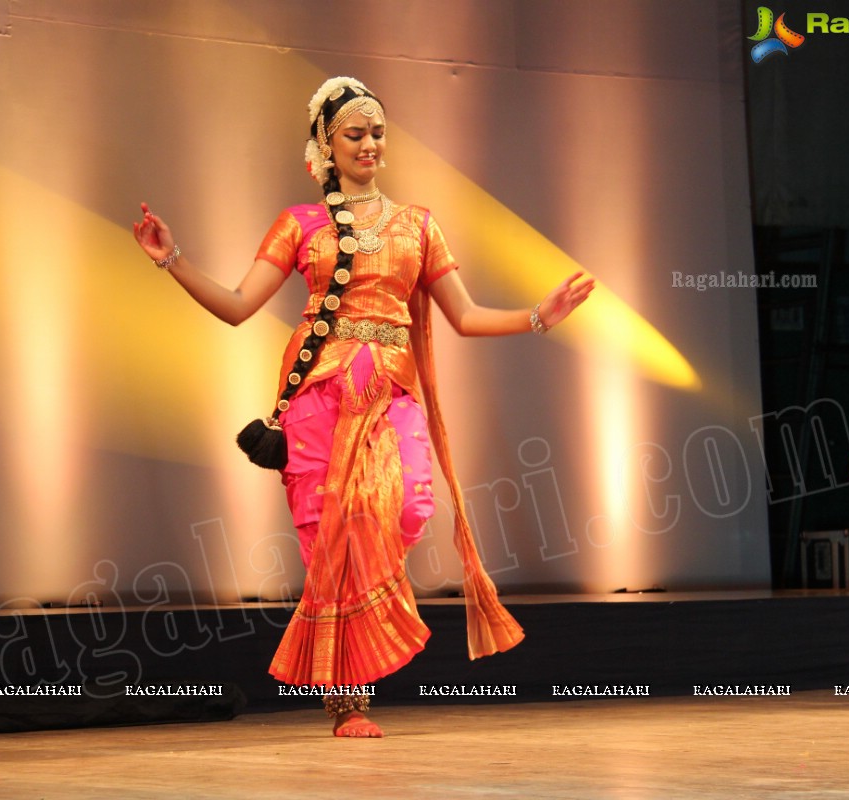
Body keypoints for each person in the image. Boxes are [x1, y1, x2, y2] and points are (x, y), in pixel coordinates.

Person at [133, 76, 594, 737]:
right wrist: (171, 259)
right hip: (318, 394)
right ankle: (349, 697)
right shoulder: (301, 224)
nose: (371, 144)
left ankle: (364, 644)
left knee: (405, 506)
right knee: (334, 536)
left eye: (379, 132)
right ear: (326, 143)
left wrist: (536, 317)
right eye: (355, 133)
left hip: (390, 391)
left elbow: (461, 315)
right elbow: (238, 306)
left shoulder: (417, 225)